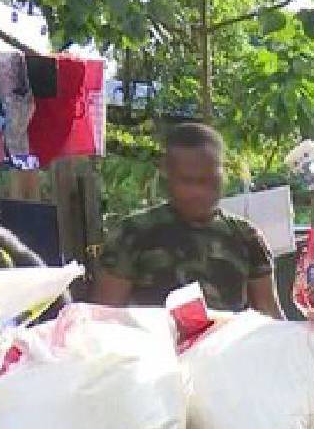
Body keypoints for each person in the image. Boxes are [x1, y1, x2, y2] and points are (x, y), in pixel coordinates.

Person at [92, 123, 283, 316]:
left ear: (223, 175)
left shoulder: (246, 237)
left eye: (208, 180)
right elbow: (106, 319)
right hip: (156, 343)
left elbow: (270, 317)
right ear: (168, 175)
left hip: (229, 344)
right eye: (188, 181)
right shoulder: (131, 235)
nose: (199, 192)